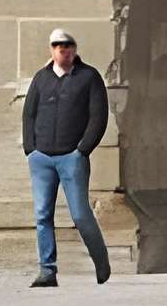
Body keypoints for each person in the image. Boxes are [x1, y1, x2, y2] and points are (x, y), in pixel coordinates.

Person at [20, 27, 110, 287]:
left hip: (72, 157)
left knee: (80, 215)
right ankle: (47, 270)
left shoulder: (88, 77)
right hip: (42, 158)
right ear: (52, 50)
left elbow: (98, 117)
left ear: (75, 49)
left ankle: (100, 260)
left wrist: (83, 149)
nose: (64, 50)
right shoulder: (41, 78)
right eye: (59, 46)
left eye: (69, 46)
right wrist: (31, 148)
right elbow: (29, 114)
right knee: (42, 215)